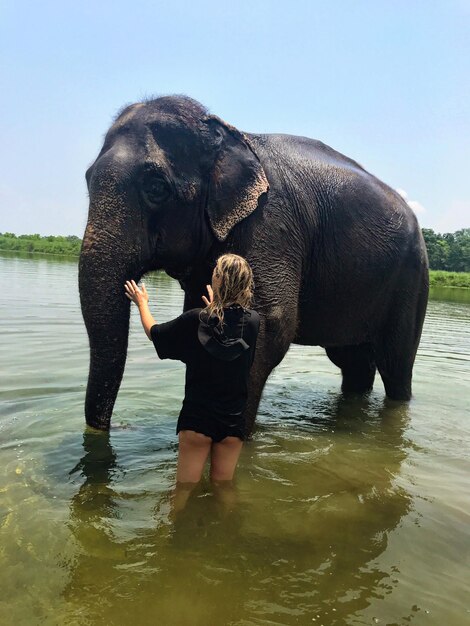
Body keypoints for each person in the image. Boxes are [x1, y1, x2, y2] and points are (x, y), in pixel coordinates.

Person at [124, 254, 260, 491]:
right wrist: (214, 310)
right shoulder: (253, 322)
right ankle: (229, 526)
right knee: (224, 489)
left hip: (197, 421)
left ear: (218, 280)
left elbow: (155, 333)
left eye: (216, 271)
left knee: (183, 492)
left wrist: (142, 303)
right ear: (245, 284)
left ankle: (177, 526)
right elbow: (226, 335)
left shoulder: (196, 319)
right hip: (233, 423)